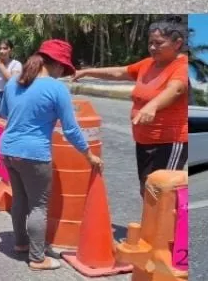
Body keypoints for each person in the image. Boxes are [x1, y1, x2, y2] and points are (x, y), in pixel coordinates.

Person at [0, 40, 103, 270]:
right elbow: (71, 129)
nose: (62, 74)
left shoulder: (14, 81)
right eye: (63, 69)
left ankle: (21, 244)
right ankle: (37, 258)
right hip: (34, 153)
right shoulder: (56, 89)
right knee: (38, 206)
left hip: (7, 149)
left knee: (20, 199)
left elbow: (4, 112)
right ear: (54, 64)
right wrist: (88, 155)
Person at [73, 17, 190, 194]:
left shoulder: (181, 66)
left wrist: (152, 106)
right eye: (150, 43)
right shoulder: (148, 64)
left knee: (164, 192)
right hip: (143, 141)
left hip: (169, 142)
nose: (152, 47)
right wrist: (87, 71)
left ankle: (168, 223)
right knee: (146, 189)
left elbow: (176, 89)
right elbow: (119, 72)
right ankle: (151, 223)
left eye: (158, 43)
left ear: (177, 43)